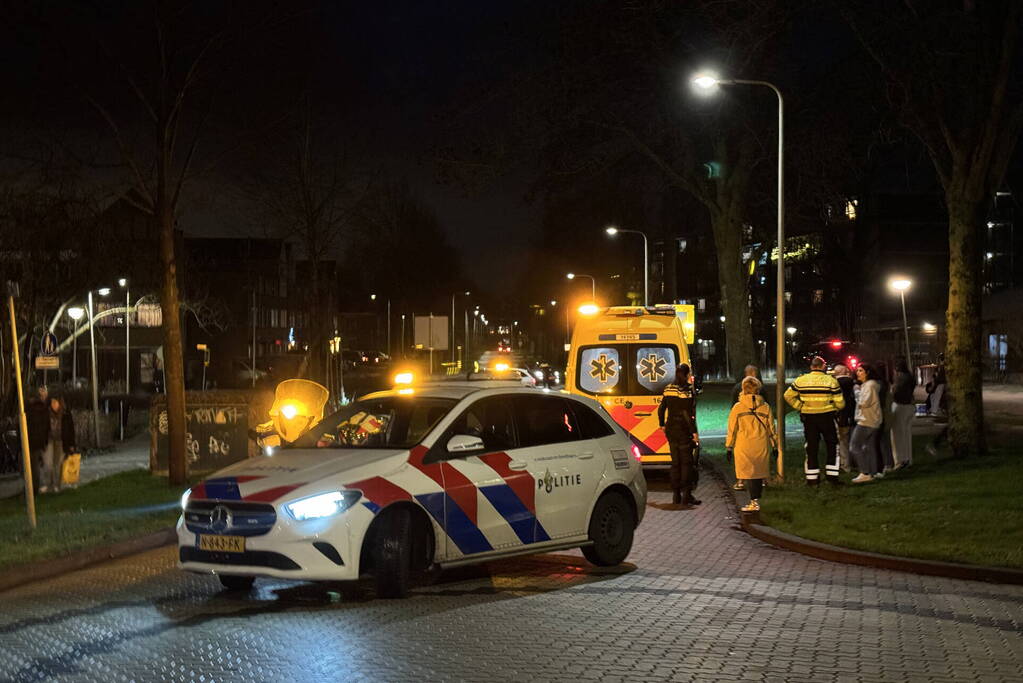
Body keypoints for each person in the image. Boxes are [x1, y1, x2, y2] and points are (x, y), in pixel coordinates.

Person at [784, 356, 845, 486]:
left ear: (811, 367)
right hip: (827, 416)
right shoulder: (831, 381)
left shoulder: (801, 380)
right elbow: (840, 402)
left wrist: (800, 406)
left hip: (809, 417)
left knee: (811, 447)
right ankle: (832, 477)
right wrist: (836, 407)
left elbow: (788, 395)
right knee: (832, 446)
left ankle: (812, 478)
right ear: (823, 367)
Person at [726, 376, 776, 512]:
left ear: (743, 389)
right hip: (761, 443)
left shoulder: (738, 407)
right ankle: (756, 500)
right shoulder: (765, 407)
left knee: (749, 474)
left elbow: (732, 429)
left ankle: (754, 502)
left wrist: (729, 447)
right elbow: (771, 428)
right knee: (758, 474)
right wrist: (775, 445)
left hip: (743, 445)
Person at [657, 363, 700, 507]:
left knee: (675, 462)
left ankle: (676, 495)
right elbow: (686, 414)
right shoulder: (686, 390)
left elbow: (662, 408)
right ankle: (686, 495)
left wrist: (662, 424)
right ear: (687, 375)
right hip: (683, 429)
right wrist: (693, 432)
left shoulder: (669, 388)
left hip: (670, 429)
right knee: (686, 463)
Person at [850, 363, 882, 483]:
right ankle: (872, 472)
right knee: (869, 447)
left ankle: (865, 472)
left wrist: (857, 392)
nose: (858, 373)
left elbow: (864, 402)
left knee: (854, 446)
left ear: (867, 372)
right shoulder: (869, 385)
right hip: (872, 419)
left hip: (866, 420)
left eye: (861, 370)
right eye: (857, 370)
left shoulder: (869, 386)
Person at [40, 394, 76, 492]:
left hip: (61, 440)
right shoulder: (46, 412)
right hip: (49, 439)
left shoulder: (65, 413)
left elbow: (71, 429)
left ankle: (57, 485)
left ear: (60, 403)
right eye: (52, 402)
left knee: (58, 463)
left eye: (55, 402)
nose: (54, 405)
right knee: (48, 463)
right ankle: (48, 483)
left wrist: (72, 444)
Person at [890, 357, 915, 469]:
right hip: (909, 406)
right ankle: (908, 458)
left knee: (897, 435)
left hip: (900, 406)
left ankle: (900, 460)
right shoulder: (910, 377)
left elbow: (895, 393)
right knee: (906, 434)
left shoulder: (900, 378)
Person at [25, 385, 51, 494]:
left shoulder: (32, 407)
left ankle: (33, 487)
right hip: (39, 440)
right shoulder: (43, 408)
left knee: (34, 464)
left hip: (33, 439)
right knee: (38, 464)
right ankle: (36, 488)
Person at [832, 364, 856, 472]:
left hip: (839, 416)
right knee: (852, 440)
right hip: (852, 415)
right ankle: (853, 462)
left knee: (841, 441)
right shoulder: (853, 383)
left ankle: (844, 465)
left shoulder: (833, 384)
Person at [875, 360, 894, 474]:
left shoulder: (878, 384)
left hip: (880, 412)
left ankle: (887, 463)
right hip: (885, 411)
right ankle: (889, 462)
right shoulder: (885, 382)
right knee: (885, 439)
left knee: (882, 440)